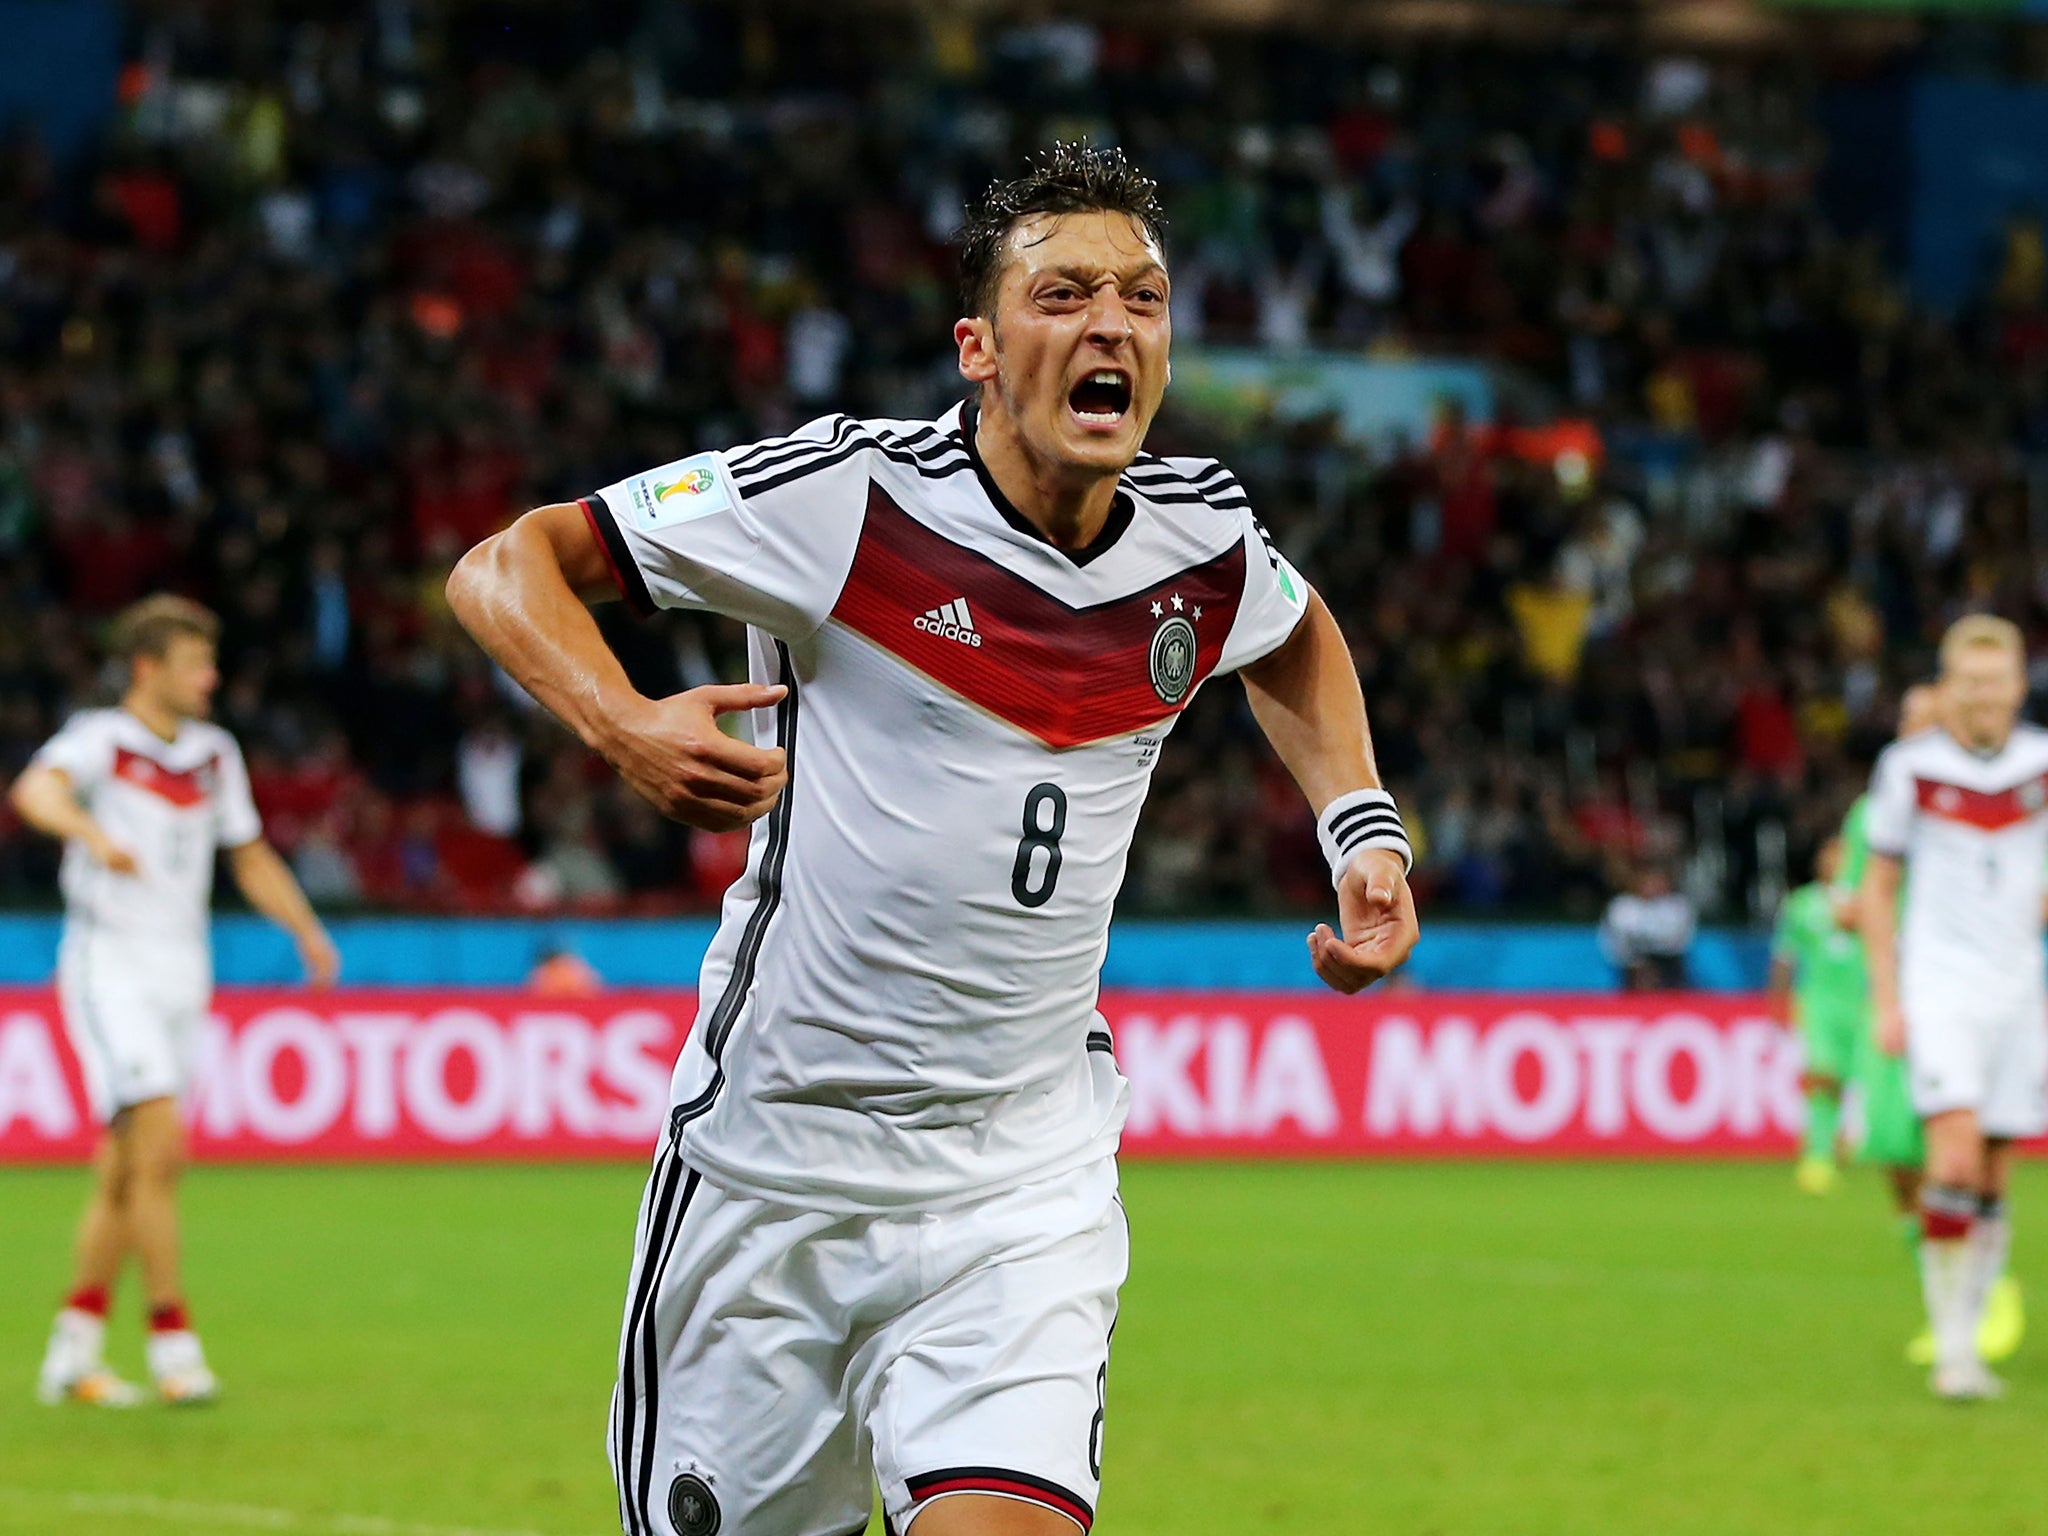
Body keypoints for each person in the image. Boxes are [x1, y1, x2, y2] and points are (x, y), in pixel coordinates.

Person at [447, 144, 1419, 1536]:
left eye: (1141, 300)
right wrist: (621, 723)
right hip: (779, 1173)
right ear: (976, 344)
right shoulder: (843, 500)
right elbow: (506, 565)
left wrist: (1361, 831)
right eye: (1065, 294)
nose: (1110, 328)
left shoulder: (1199, 543)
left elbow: (1296, 635)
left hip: (1023, 1182)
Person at [13, 595, 339, 1407]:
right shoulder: (99, 740)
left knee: (126, 1170)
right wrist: (88, 835)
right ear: (146, 668)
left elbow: (251, 855)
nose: (212, 678)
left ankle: (73, 1349)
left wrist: (305, 930)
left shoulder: (213, 754)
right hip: (109, 964)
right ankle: (174, 1344)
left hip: (182, 972)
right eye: (196, 663)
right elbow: (34, 793)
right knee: (162, 1150)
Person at [1861, 615, 2048, 1400]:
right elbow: (1877, 886)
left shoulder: (2041, 762)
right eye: (1967, 681)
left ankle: (1968, 1340)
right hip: (1940, 983)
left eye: (1994, 679)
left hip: (2018, 985)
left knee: (1997, 1167)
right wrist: (1886, 996)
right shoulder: (1910, 767)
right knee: (1954, 1151)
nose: (1982, 694)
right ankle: (1953, 1351)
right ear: (1948, 686)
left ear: (2016, 684)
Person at [1837, 684, 2024, 1366]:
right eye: (1905, 720)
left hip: (1961, 996)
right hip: (1894, 999)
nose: (1912, 731)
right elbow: (1857, 895)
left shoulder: (1986, 800)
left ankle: (1987, 1296)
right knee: (1894, 1156)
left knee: (1961, 1151)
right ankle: (1942, 1298)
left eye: (1925, 720)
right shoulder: (1873, 811)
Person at [1768, 836, 1863, 1195]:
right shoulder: (1801, 904)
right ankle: (1818, 1153)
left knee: (1854, 1080)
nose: (1835, 862)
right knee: (1822, 1076)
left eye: (1843, 855)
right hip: (1818, 1002)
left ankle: (1848, 1140)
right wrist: (1777, 1003)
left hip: (1862, 1002)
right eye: (1830, 854)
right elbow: (1783, 957)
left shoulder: (1869, 900)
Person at [1597, 861, 1695, 990]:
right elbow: (1614, 941)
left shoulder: (1678, 906)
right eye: (1648, 881)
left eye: (1657, 881)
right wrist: (1636, 961)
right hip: (1631, 964)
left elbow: (1677, 941)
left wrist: (1648, 945)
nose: (1652, 886)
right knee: (1638, 972)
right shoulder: (1622, 906)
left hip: (1668, 963)